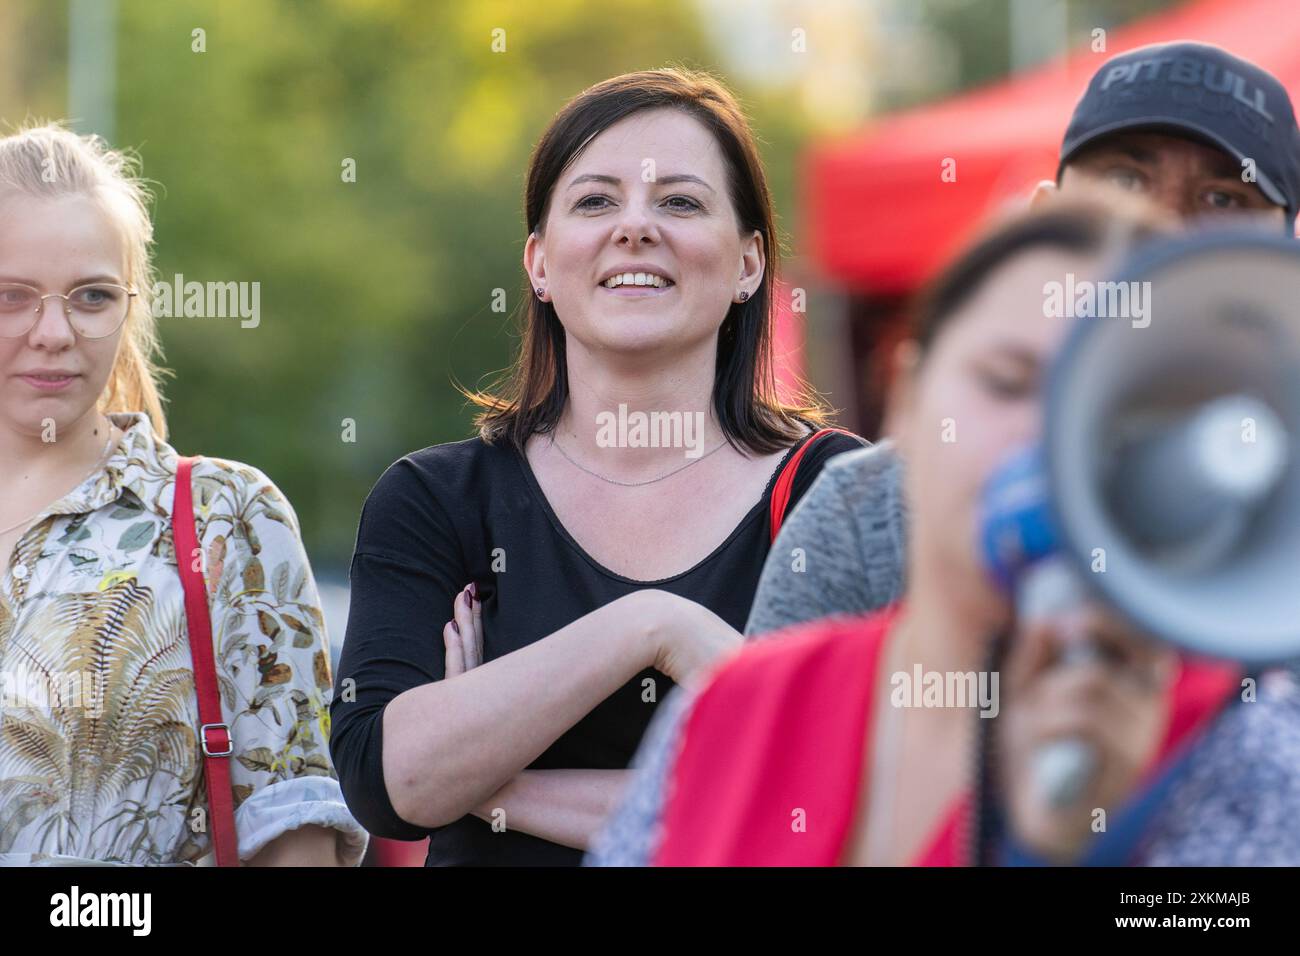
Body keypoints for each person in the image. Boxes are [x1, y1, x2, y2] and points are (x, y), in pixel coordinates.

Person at [586, 193, 1300, 867]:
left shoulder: (1243, 761)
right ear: (906, 400)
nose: (1049, 440)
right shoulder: (731, 713)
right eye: (1008, 382)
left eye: (1114, 406)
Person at [329, 68, 866, 866]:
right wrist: (649, 628)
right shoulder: (437, 501)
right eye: (595, 201)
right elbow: (387, 782)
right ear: (540, 264)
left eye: (680, 202)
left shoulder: (841, 494)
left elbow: (848, 793)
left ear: (750, 263)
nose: (636, 228)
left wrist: (496, 784)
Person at [744, 40, 1300, 639]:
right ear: (1044, 218)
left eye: (1223, 199)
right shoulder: (871, 507)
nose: (1161, 231)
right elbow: (773, 719)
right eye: (1124, 180)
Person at [0, 123, 366, 865]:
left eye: (92, 296)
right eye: (11, 296)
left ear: (128, 309)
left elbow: (293, 839)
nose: (53, 331)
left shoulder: (226, 518)